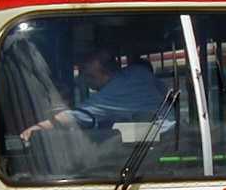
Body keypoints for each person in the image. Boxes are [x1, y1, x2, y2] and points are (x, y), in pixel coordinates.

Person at [20, 48, 167, 142]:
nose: (84, 79)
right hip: (177, 134)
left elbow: (75, 117)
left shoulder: (110, 95)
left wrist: (37, 128)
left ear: (106, 73)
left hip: (159, 143)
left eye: (89, 75)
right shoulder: (138, 72)